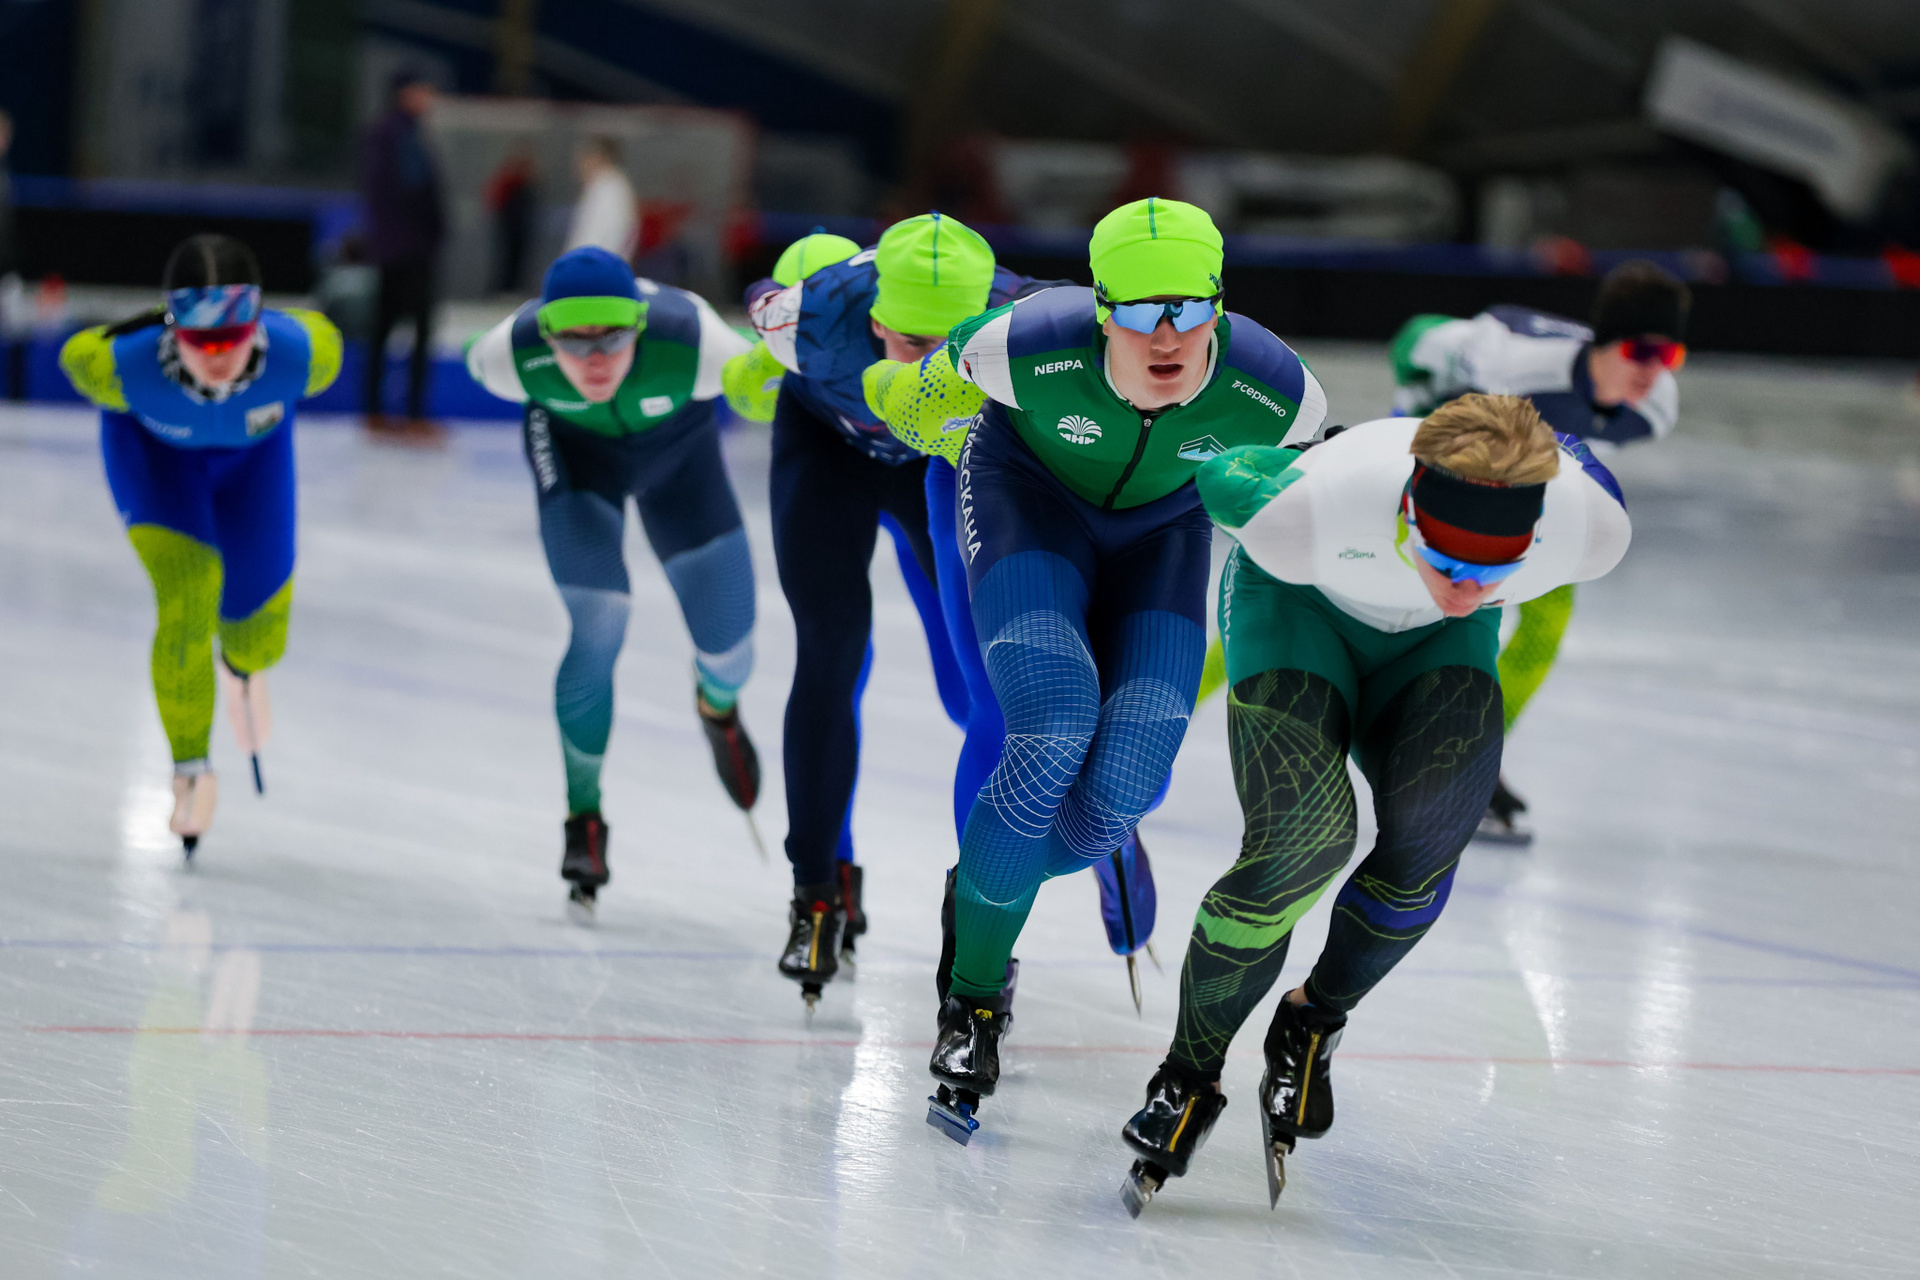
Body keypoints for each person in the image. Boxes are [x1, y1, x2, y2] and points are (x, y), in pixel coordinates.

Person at [868, 197, 1327, 1142]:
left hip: (1165, 534)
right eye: (1142, 312)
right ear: (1100, 310)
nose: (1167, 337)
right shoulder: (1019, 346)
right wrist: (898, 396)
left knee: (1125, 788)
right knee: (1052, 724)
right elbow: (911, 406)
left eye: (1189, 311)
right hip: (1027, 501)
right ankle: (973, 1003)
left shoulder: (1279, 389)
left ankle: (981, 887)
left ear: (1219, 304)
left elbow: (1328, 502)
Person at [1115, 395, 1631, 1214]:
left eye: (1495, 572)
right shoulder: (1304, 513)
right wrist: (1298, 457)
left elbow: (1570, 457)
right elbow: (1223, 471)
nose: (1466, 588)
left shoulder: (1589, 527)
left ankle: (1314, 1021)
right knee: (1302, 842)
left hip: (1433, 649)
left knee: (1431, 837)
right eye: (1448, 562)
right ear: (1408, 513)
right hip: (1297, 605)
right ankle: (1188, 1076)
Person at [743, 213, 998, 1011]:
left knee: (978, 685)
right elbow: (757, 303)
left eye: (949, 349)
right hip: (828, 450)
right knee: (831, 648)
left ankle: (1011, 888)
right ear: (875, 320)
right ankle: (816, 893)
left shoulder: (1017, 317)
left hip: (934, 466)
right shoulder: (812, 316)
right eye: (909, 344)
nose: (927, 368)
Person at [464, 246, 758, 920]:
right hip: (577, 464)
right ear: (546, 335)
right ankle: (584, 816)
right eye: (573, 341)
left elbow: (776, 383)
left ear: (641, 326)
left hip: (681, 466)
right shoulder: (506, 357)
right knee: (599, 622)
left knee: (730, 650)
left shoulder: (699, 343)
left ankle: (717, 705)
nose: (594, 359)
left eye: (613, 339)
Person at [58, 235, 343, 859]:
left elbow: (324, 332)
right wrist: (129, 329)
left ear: (257, 323)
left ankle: (242, 669)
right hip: (158, 470)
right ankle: (190, 770)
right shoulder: (119, 368)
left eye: (232, 338)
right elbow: (77, 352)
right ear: (173, 327)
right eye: (199, 340)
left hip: (253, 469)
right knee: (190, 593)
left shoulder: (304, 359)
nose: (218, 358)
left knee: (258, 634)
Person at [1390, 260, 1688, 842]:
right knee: (1334, 586)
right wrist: (1404, 422)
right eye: (1641, 352)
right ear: (1606, 343)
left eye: (1669, 355)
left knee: (1547, 623)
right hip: (1434, 442)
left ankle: (1470, 754)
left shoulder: (1655, 409)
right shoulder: (1510, 363)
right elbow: (1413, 339)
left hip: (1519, 475)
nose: (1653, 372)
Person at [359, 70, 444, 430]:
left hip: (394, 247)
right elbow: (415, 189)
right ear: (405, 94)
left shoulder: (389, 133)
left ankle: (376, 410)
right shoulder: (400, 134)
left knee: (384, 327)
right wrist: (434, 228)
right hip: (409, 248)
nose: (427, 99)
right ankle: (412, 413)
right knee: (418, 328)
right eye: (422, 91)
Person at [565, 136, 637, 262]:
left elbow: (592, 240)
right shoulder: (604, 187)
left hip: (593, 267)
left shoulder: (609, 191)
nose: (577, 166)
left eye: (582, 159)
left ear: (598, 158)